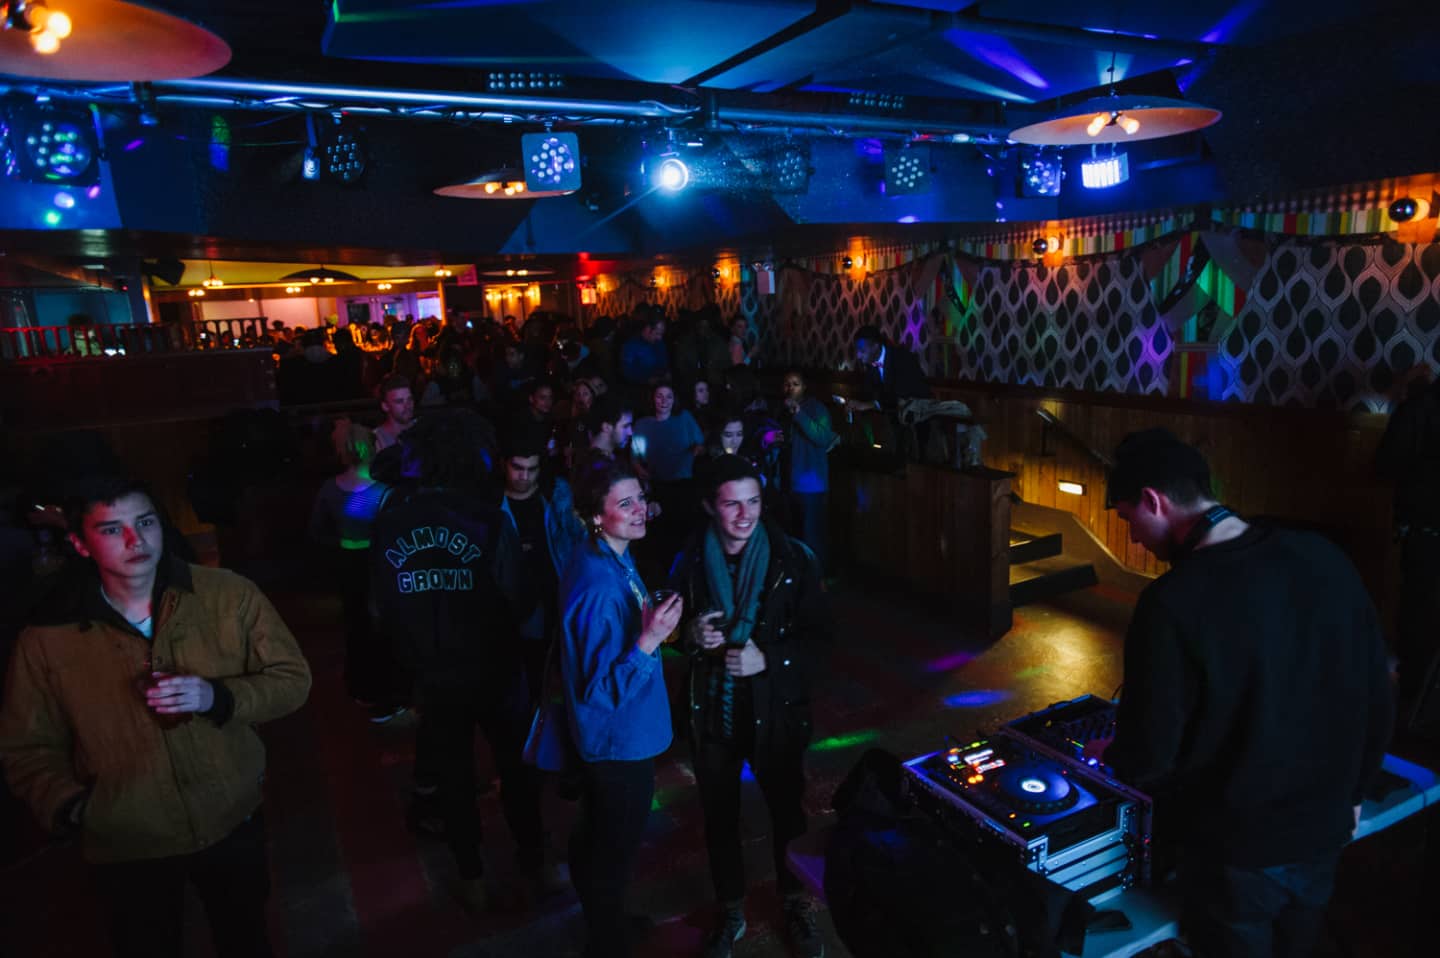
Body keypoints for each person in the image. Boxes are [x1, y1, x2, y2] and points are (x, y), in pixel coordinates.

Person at [1103, 429, 1392, 958]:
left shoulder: (1170, 602)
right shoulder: (1323, 556)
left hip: (1235, 855)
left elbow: (1151, 756)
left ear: (1153, 500)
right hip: (1326, 828)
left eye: (1128, 520)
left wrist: (1112, 757)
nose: (1134, 539)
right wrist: (1354, 794)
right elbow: (1379, 692)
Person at [0, 476, 312, 958]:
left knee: (246, 935)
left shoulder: (228, 594)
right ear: (80, 544)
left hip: (230, 817)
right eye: (112, 529)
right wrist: (72, 806)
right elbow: (27, 746)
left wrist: (218, 697)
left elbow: (292, 679)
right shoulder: (47, 637)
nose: (136, 540)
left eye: (145, 522)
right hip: (126, 841)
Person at [369, 410, 554, 912]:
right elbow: (520, 601)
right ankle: (534, 862)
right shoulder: (488, 518)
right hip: (494, 669)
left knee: (453, 775)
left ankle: (471, 875)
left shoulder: (390, 522)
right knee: (516, 768)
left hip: (433, 675)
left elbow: (379, 609)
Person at [669, 455, 830, 958]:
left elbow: (821, 642)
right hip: (714, 712)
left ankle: (795, 903)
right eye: (732, 504)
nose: (745, 515)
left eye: (753, 501)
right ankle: (731, 909)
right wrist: (690, 635)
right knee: (720, 817)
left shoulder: (793, 559)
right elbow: (670, 630)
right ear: (709, 507)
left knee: (787, 812)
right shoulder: (689, 562)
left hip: (776, 712)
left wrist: (770, 660)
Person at [560, 457, 684, 958]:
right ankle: (607, 942)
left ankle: (605, 921)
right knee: (612, 851)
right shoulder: (597, 585)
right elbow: (599, 691)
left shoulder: (609, 554)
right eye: (625, 503)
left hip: (620, 737)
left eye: (641, 499)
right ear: (596, 515)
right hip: (617, 744)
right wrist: (651, 640)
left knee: (598, 836)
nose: (640, 510)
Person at [308, 421, 405, 722]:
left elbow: (316, 531)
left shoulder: (330, 489)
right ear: (372, 448)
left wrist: (341, 541)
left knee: (356, 624)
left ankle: (361, 686)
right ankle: (386, 689)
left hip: (347, 563)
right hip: (379, 565)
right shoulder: (385, 492)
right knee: (382, 626)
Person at [1374, 370, 1440, 730]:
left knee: (1418, 618)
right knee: (1419, 618)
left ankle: (1410, 707)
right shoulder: (1418, 408)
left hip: (1423, 532)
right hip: (1424, 531)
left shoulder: (1417, 408)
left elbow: (1385, 466)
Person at [500, 436, 581, 703]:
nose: (524, 476)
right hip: (515, 603)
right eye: (517, 467)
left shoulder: (555, 496)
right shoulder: (493, 504)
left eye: (531, 469)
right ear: (504, 464)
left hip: (556, 595)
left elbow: (576, 537)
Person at [779, 369, 836, 572]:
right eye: (787, 384)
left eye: (795, 384)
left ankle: (818, 578)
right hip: (789, 483)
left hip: (812, 485)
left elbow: (823, 437)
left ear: (804, 387)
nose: (790, 388)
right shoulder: (782, 411)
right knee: (794, 536)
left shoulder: (815, 408)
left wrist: (799, 415)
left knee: (812, 537)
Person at [620, 311, 670, 387]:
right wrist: (645, 380)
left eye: (661, 334)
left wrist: (666, 373)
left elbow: (664, 362)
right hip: (638, 389)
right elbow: (626, 372)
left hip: (659, 386)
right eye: (657, 333)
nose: (660, 337)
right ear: (647, 329)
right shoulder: (630, 345)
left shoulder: (660, 343)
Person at [374, 374, 417, 452]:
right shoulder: (376, 439)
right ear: (385, 406)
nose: (407, 406)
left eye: (409, 399)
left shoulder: (422, 428)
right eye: (399, 401)